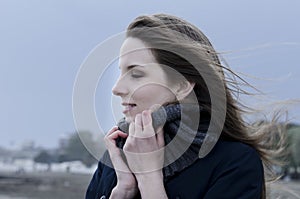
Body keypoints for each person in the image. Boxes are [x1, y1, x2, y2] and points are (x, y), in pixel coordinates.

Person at [86, 13, 283, 199]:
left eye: (136, 74)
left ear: (181, 85)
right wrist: (122, 190)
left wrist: (149, 180)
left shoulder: (235, 163)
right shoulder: (116, 156)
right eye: (121, 72)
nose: (116, 88)